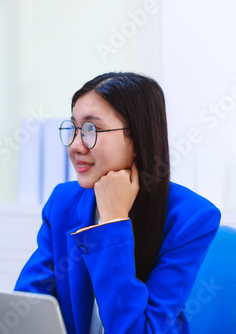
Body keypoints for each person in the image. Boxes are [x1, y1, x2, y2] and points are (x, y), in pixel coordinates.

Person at [14, 72, 221, 334]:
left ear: (137, 139)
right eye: (74, 129)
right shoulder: (63, 202)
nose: (76, 145)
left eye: (92, 130)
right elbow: (27, 306)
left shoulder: (191, 218)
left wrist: (112, 222)